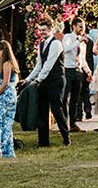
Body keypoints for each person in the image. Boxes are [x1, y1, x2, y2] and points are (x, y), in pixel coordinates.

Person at [23, 19, 71, 148]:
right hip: (44, 81)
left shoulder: (56, 44)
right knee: (42, 110)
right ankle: (43, 141)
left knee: (57, 109)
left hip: (56, 80)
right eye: (40, 30)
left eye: (43, 30)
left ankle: (66, 137)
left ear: (50, 29)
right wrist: (28, 79)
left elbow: (49, 64)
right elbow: (39, 65)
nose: (41, 32)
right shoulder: (41, 44)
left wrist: (39, 79)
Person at [62, 17, 91, 133]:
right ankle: (64, 123)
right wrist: (78, 40)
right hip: (68, 69)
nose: (82, 29)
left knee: (75, 98)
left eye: (83, 27)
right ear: (73, 26)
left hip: (78, 71)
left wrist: (88, 70)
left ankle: (73, 124)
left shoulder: (83, 42)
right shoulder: (68, 37)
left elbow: (82, 58)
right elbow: (66, 49)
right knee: (64, 98)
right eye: (80, 27)